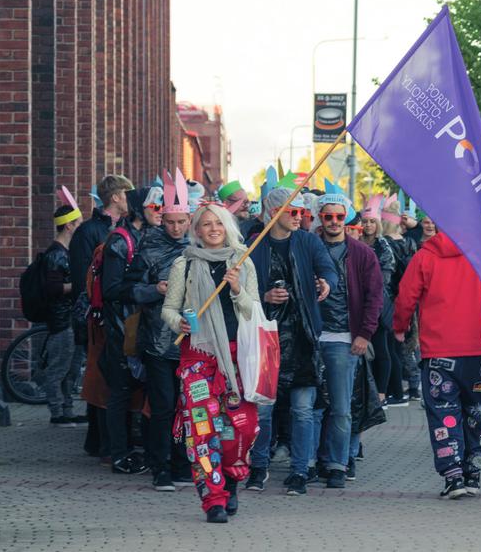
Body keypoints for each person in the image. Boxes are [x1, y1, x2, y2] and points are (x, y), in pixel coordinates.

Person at [162, 202, 261, 523]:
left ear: (228, 226)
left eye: (218, 223)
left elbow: (254, 311)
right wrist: (180, 324)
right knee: (202, 432)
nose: (213, 229)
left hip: (236, 359)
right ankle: (213, 498)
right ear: (197, 230)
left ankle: (231, 480)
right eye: (205, 224)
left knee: (239, 430)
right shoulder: (184, 265)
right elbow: (169, 309)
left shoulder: (243, 262)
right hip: (198, 359)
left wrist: (236, 290)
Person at [246, 187, 335, 496]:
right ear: (274, 214)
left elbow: (328, 270)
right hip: (267, 338)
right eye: (293, 212)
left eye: (302, 212)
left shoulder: (308, 241)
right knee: (264, 410)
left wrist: (325, 284)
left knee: (302, 410)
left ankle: (300, 471)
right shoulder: (254, 246)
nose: (300, 217)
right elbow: (239, 291)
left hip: (303, 337)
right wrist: (265, 296)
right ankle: (258, 468)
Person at [393, 231, 481, 499]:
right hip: (479, 349)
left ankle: (453, 477)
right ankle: (473, 473)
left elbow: (406, 297)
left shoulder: (425, 256)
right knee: (478, 411)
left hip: (439, 351)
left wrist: (400, 326)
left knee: (443, 412)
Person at [126, 170, 193, 491]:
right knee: (164, 406)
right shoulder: (147, 248)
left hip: (194, 343)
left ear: (190, 220)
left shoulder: (200, 248)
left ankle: (182, 464)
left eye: (181, 222)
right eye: (170, 222)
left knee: (188, 407)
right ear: (162, 220)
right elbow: (130, 291)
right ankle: (160, 467)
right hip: (158, 342)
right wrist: (157, 290)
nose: (176, 228)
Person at [313, 193, 383, 488]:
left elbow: (375, 297)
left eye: (339, 217)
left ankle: (338, 464)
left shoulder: (362, 254)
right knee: (309, 407)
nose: (333, 222)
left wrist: (364, 334)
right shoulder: (307, 247)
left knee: (341, 406)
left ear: (347, 219)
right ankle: (310, 462)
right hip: (311, 337)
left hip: (345, 338)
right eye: (328, 216)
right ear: (320, 218)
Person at [70, 174, 134, 457]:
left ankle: (104, 439)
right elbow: (83, 279)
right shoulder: (89, 232)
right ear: (117, 197)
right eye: (128, 193)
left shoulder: (124, 228)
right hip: (99, 320)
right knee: (98, 381)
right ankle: (99, 441)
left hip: (119, 318)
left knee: (110, 380)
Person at [101, 187, 152, 474]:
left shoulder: (151, 237)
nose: (160, 211)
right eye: (154, 206)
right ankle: (118, 454)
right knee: (120, 392)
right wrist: (150, 292)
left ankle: (139, 448)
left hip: (144, 328)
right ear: (138, 210)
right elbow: (111, 289)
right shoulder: (120, 242)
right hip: (122, 329)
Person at [43, 202, 84, 426]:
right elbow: (53, 289)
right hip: (61, 320)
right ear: (69, 226)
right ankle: (56, 412)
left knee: (71, 367)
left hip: (70, 318)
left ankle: (67, 410)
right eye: (78, 223)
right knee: (59, 367)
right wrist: (78, 285)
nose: (81, 227)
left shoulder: (64, 252)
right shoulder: (56, 255)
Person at [359, 195, 399, 404]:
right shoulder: (355, 243)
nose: (368, 225)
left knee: (381, 347)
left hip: (377, 302)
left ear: (378, 224)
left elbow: (385, 275)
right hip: (358, 302)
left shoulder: (384, 246)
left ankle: (382, 393)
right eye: (365, 221)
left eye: (372, 221)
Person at [382, 198, 421, 401]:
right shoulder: (410, 242)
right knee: (409, 343)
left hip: (391, 297)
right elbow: (421, 228)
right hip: (410, 295)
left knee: (395, 347)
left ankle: (400, 390)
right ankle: (414, 385)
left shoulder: (385, 243)